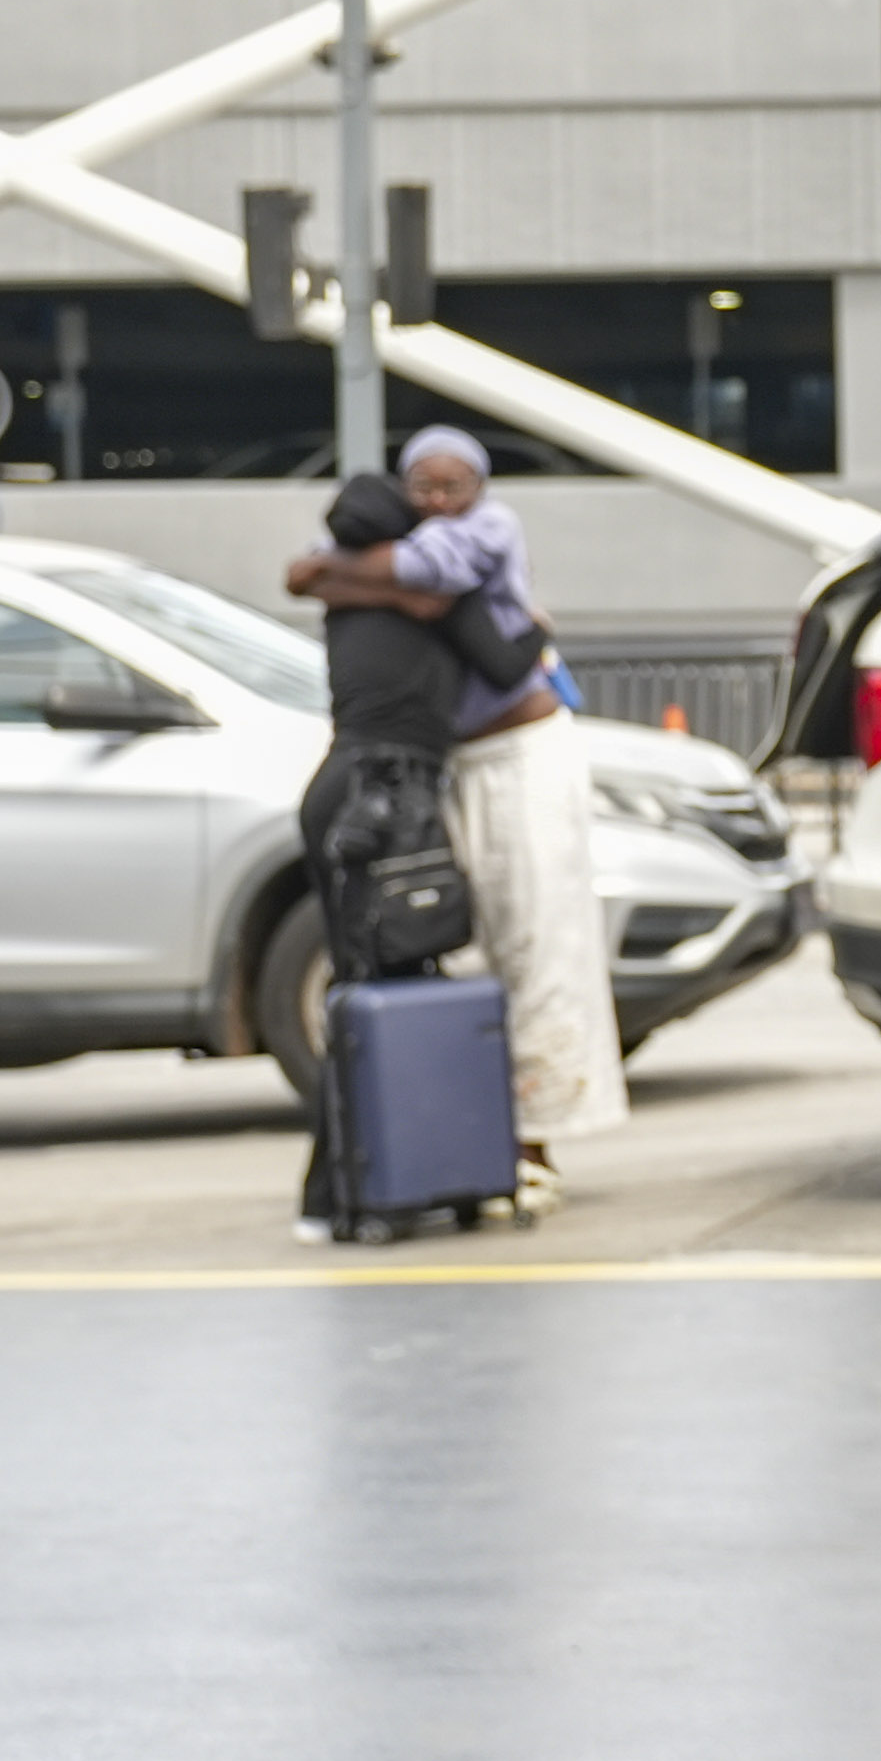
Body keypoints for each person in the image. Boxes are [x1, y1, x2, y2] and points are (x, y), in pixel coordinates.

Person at [286, 426, 626, 1197]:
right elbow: (310, 573)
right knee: (461, 947)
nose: (439, 501)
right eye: (424, 487)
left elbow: (422, 579)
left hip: (520, 753)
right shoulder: (402, 537)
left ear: (481, 486)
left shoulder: (486, 530)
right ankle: (480, 1138)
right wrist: (336, 575)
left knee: (537, 939)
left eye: (455, 487)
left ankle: (537, 1144)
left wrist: (334, 574)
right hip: (443, 766)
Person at [288, 466, 547, 1233]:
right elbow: (507, 663)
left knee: (359, 988)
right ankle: (352, 1191)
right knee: (392, 980)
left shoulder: (339, 590)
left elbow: (305, 573)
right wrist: (540, 625)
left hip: (339, 791)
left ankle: (358, 1187)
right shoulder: (442, 595)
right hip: (392, 799)